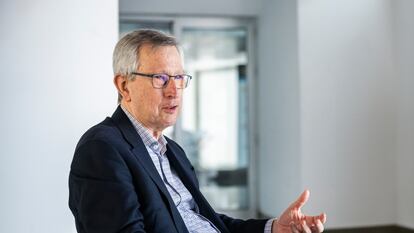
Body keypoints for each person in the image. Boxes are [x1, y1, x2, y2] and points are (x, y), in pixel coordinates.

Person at [68, 29, 326, 233]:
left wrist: (273, 228)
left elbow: (208, 221)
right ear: (124, 86)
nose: (174, 91)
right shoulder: (101, 148)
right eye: (160, 78)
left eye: (179, 77)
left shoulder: (173, 151)